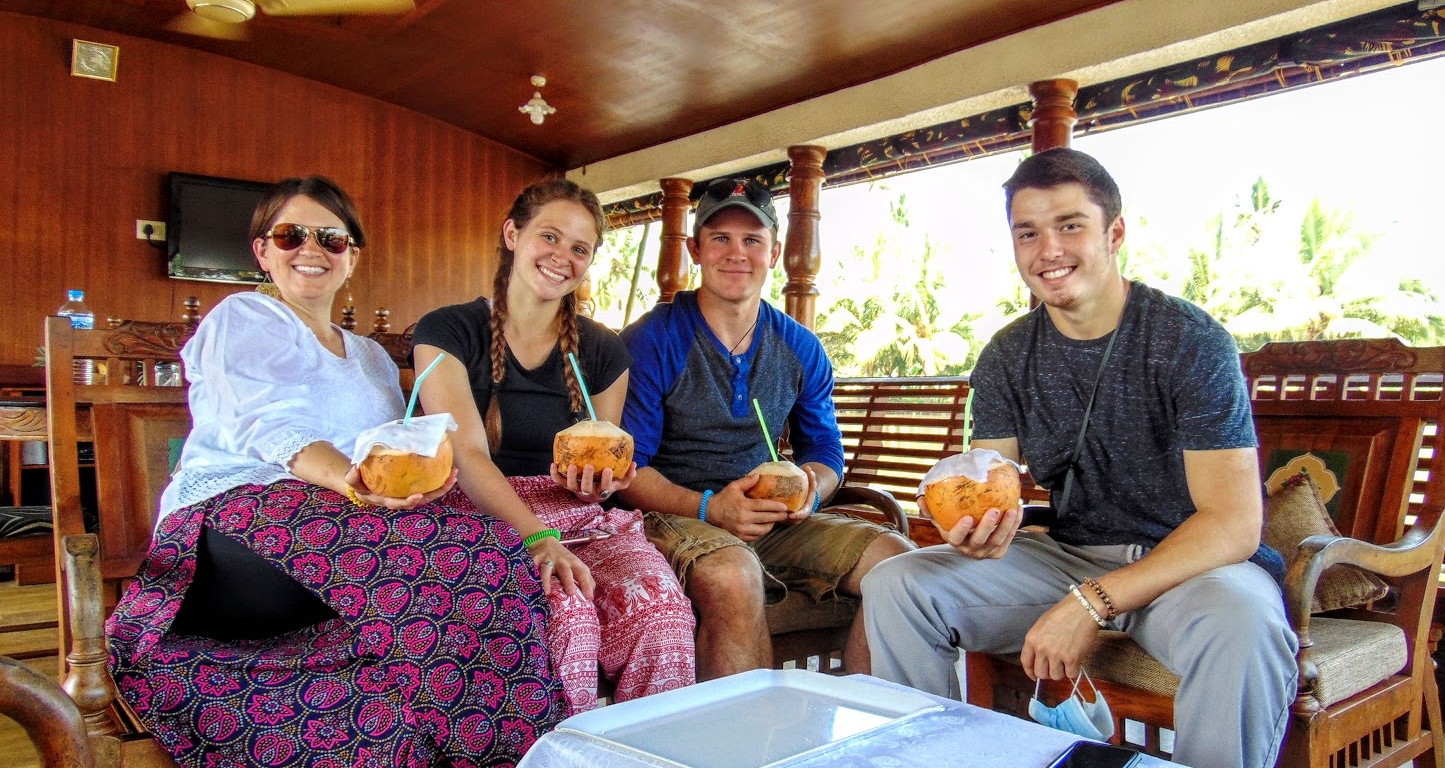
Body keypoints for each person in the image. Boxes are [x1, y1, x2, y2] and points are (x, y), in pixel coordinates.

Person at [107, 176, 567, 768]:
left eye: (331, 238)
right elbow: (269, 427)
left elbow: (394, 446)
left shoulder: (372, 356)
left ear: (352, 257)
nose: (311, 249)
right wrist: (350, 478)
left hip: (343, 526)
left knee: (490, 547)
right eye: (290, 234)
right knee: (454, 556)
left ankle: (492, 749)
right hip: (235, 522)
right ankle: (512, 752)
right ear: (262, 251)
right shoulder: (245, 317)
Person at [861, 148, 1298, 768]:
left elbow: (1232, 522)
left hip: (1188, 568)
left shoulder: (1189, 341)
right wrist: (981, 532)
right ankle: (927, 759)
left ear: (1114, 233)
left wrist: (1094, 602)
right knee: (899, 583)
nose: (1048, 250)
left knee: (1244, 626)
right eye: (1027, 232)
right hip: (1065, 555)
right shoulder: (1009, 354)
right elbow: (992, 479)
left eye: (1070, 225)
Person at [412, 179, 696, 713]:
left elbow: (605, 462)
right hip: (478, 513)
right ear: (512, 235)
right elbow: (466, 454)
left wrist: (601, 484)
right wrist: (537, 537)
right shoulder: (448, 330)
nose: (562, 257)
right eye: (550, 236)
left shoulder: (603, 351)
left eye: (580, 248)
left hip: (580, 520)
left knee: (663, 616)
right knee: (567, 613)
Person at [619, 177, 915, 679]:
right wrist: (711, 506)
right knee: (734, 574)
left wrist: (809, 493)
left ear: (774, 252)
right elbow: (630, 471)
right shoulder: (652, 338)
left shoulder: (800, 347)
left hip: (773, 520)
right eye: (720, 239)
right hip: (675, 512)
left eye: (752, 240)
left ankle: (866, 730)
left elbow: (824, 452)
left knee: (901, 562)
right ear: (696, 249)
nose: (737, 254)